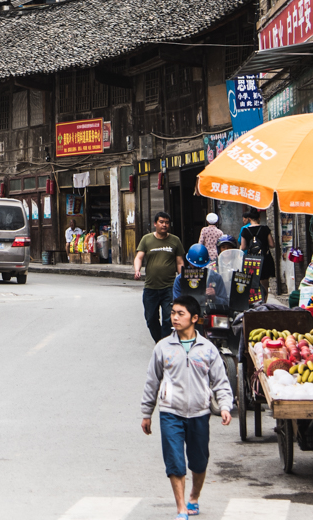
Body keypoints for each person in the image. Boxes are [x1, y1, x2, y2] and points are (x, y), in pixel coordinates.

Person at [140, 295, 235, 520]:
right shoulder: (163, 347)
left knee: (199, 461)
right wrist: (147, 413)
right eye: (173, 313)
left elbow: (220, 381)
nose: (174, 317)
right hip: (170, 412)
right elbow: (152, 381)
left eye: (180, 314)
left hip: (199, 413)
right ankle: (181, 507)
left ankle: (194, 496)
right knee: (174, 460)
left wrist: (224, 406)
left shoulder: (208, 349)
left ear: (194, 318)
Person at [135, 212, 184, 342]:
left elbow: (180, 262)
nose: (164, 225)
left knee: (169, 318)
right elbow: (139, 257)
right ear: (155, 224)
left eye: (167, 222)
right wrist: (137, 270)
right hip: (151, 287)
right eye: (161, 222)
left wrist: (182, 278)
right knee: (151, 319)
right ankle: (160, 341)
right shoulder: (147, 239)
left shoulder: (175, 240)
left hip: (169, 287)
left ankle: (165, 343)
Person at [172, 244, 230, 316]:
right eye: (194, 267)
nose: (197, 270)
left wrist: (214, 297)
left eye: (200, 268)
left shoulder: (216, 277)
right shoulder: (180, 279)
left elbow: (225, 303)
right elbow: (176, 304)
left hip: (208, 315)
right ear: (189, 262)